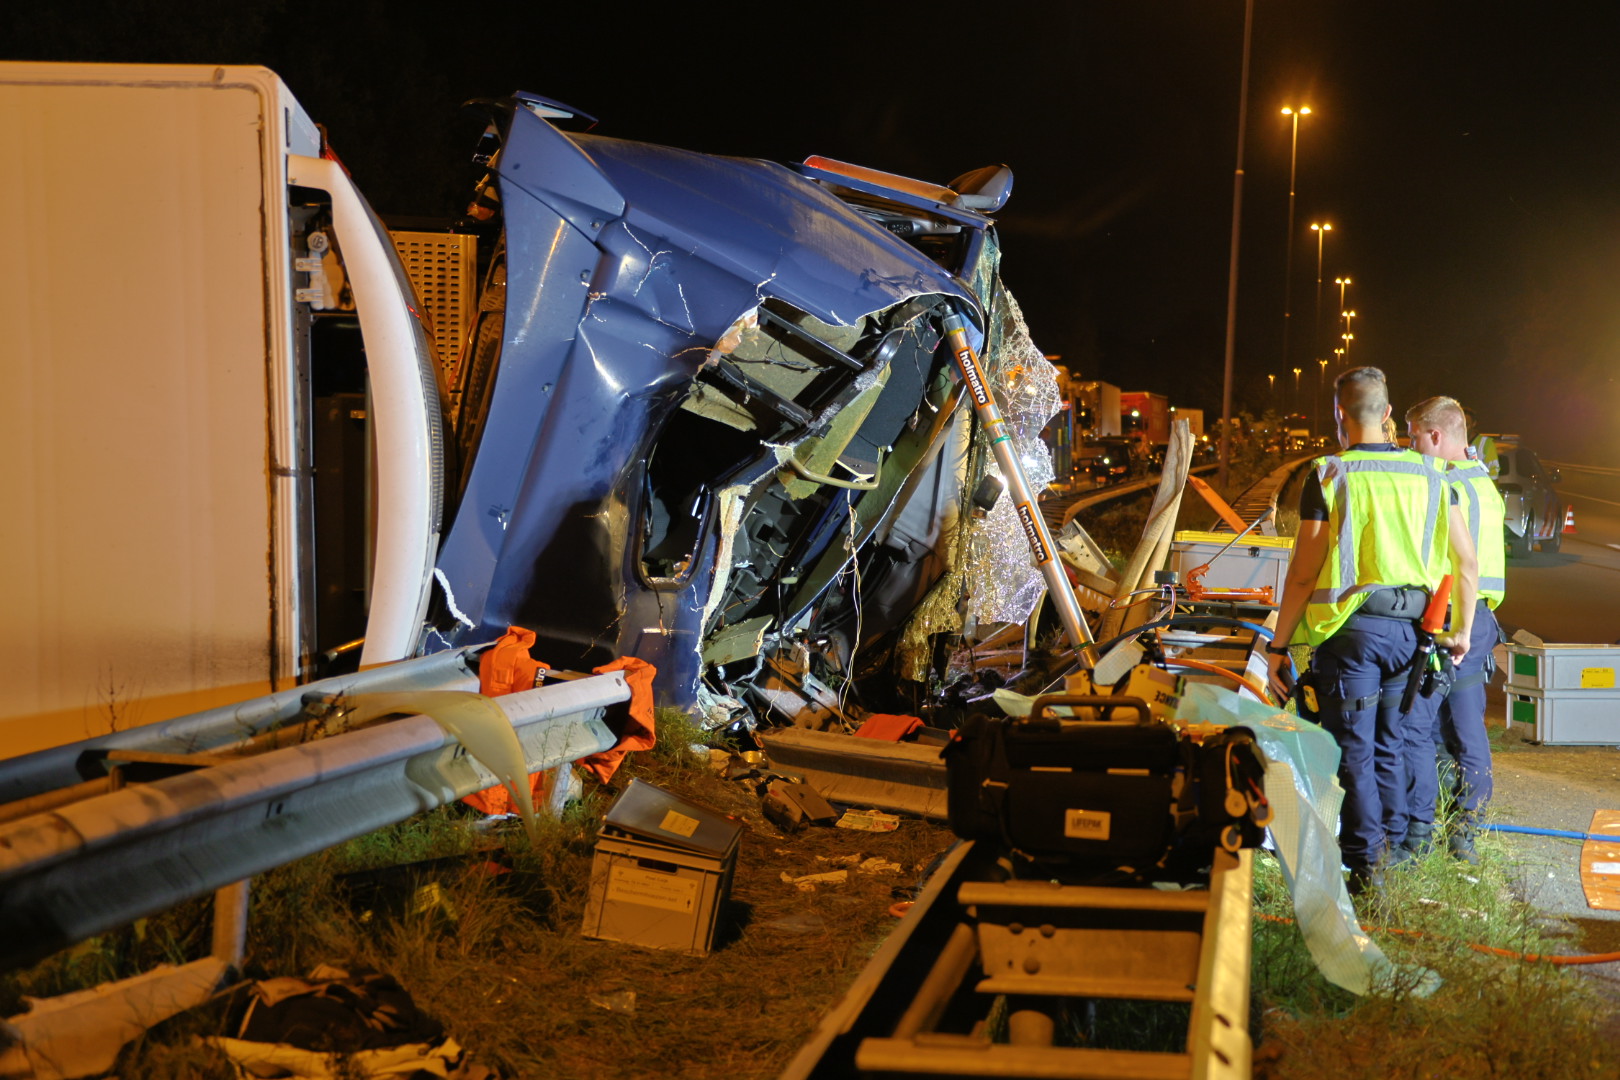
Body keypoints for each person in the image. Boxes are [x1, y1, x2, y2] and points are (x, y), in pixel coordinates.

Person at [1265, 367, 1479, 895]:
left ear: (1340, 414)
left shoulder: (1330, 473)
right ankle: (1398, 850)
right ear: (1387, 415)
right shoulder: (1433, 475)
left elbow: (1302, 571)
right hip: (1414, 635)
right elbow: (1466, 562)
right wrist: (1463, 632)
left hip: (1352, 636)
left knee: (1352, 751)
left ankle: (1368, 870)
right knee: (1391, 742)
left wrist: (1277, 644)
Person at [1406, 396, 1503, 864]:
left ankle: (1418, 834)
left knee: (1417, 726)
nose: (1411, 448)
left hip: (1448, 617)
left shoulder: (1441, 483)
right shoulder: (1484, 481)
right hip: (1480, 617)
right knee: (1466, 729)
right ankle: (1465, 830)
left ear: (1437, 436)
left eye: (1414, 438)